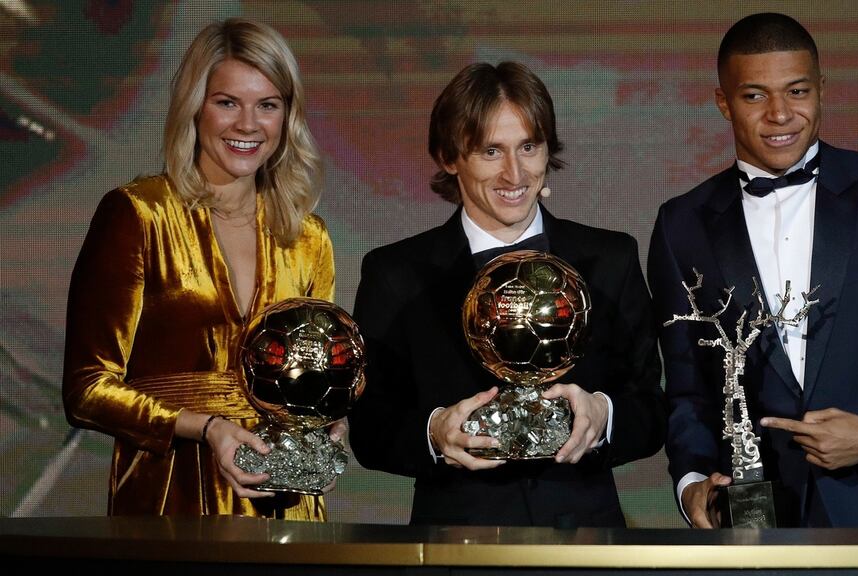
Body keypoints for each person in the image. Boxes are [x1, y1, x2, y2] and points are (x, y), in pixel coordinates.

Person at [648, 13, 858, 528]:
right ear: (723, 102)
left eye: (797, 91)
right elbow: (688, 391)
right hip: (754, 522)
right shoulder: (682, 223)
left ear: (822, 90)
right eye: (755, 96)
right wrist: (693, 483)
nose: (780, 114)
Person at [348, 61, 666, 527]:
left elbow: (652, 410)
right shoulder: (396, 273)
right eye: (490, 151)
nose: (514, 174)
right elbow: (371, 428)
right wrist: (434, 434)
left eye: (528, 147)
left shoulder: (609, 259)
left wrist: (604, 417)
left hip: (587, 540)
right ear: (449, 157)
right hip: (457, 540)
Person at [62, 18, 341, 519]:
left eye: (268, 105)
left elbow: (317, 373)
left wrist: (330, 416)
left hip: (286, 498)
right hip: (174, 496)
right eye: (227, 102)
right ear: (195, 107)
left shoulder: (308, 237)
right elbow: (87, 390)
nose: (248, 125)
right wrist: (207, 426)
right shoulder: (138, 214)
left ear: (287, 117)